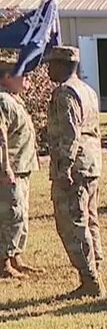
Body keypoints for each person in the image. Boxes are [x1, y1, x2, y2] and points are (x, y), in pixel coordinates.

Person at [44, 46, 105, 298]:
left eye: (51, 64)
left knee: (72, 222)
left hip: (75, 166)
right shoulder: (87, 90)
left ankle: (90, 279)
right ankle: (95, 266)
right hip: (91, 163)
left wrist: (64, 168)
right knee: (89, 219)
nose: (47, 69)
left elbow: (70, 134)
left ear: (62, 66)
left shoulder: (65, 94)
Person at [0, 52, 42, 279]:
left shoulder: (13, 99)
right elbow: (1, 136)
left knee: (21, 214)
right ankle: (3, 262)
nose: (28, 78)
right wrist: (4, 166)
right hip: (11, 169)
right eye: (23, 74)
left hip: (23, 167)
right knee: (10, 214)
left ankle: (16, 256)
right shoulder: (3, 100)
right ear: (7, 76)